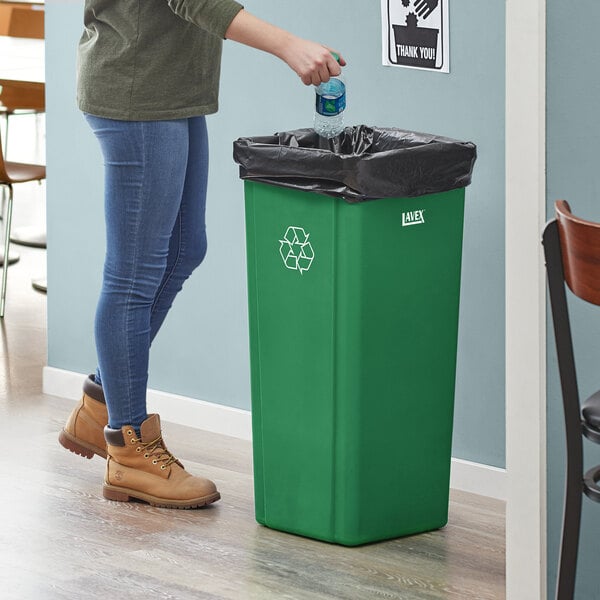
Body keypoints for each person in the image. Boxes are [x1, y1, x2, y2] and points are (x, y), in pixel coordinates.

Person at [58, 0, 345, 510]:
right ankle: (128, 448)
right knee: (133, 272)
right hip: (137, 90)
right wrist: (288, 46)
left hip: (171, 90)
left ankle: (101, 401)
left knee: (186, 248)